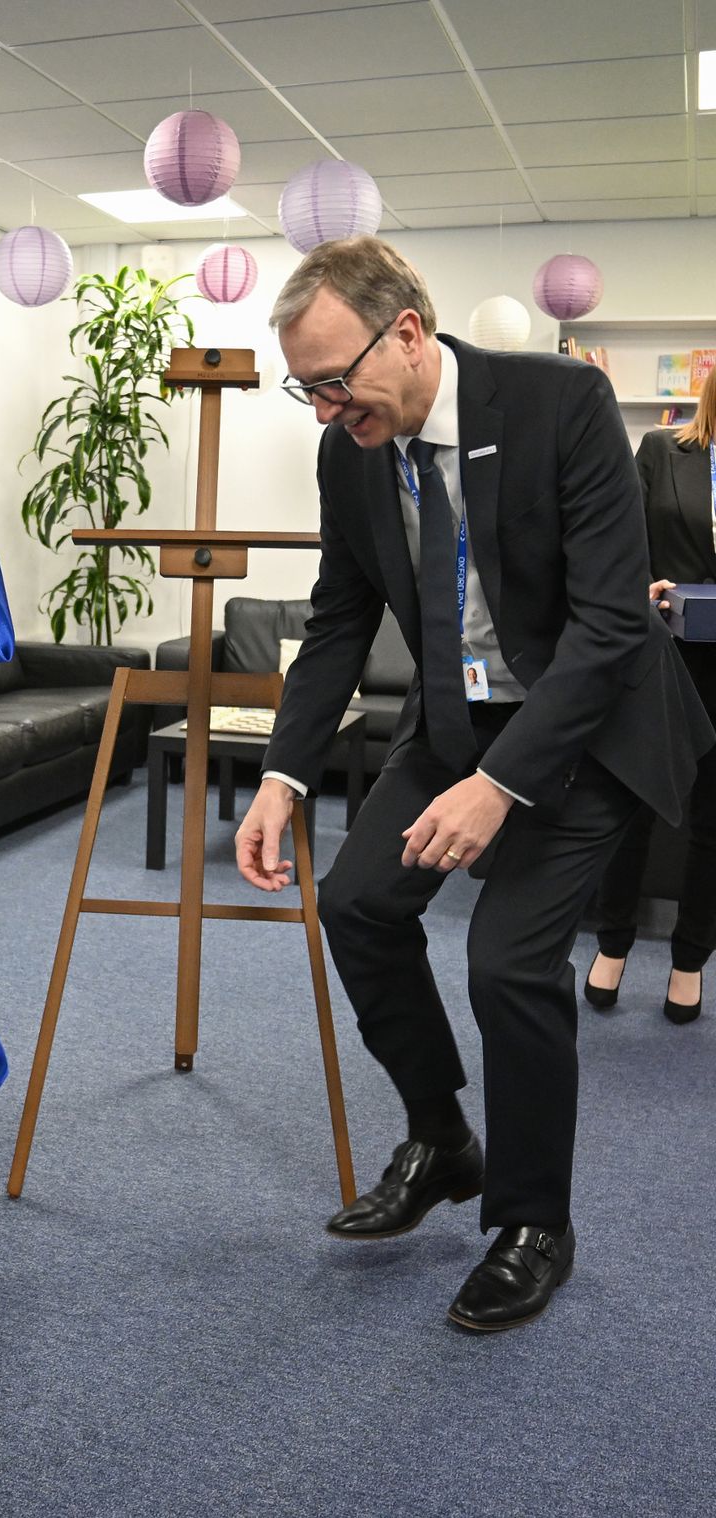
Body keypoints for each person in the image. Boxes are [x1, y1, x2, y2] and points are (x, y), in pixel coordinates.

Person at [234, 236, 712, 1334]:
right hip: (455, 719)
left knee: (506, 963)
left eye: (331, 381)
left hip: (588, 727)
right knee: (354, 905)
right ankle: (443, 1137)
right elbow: (341, 619)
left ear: (406, 332)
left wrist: (501, 783)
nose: (320, 409)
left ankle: (534, 1222)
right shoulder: (351, 453)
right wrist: (283, 777)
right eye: (302, 389)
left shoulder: (562, 406)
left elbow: (606, 624)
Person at [584, 370, 716, 1024]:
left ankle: (690, 961)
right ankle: (612, 945)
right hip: (663, 656)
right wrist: (639, 585)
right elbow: (621, 534)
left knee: (713, 824)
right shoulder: (666, 449)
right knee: (632, 805)